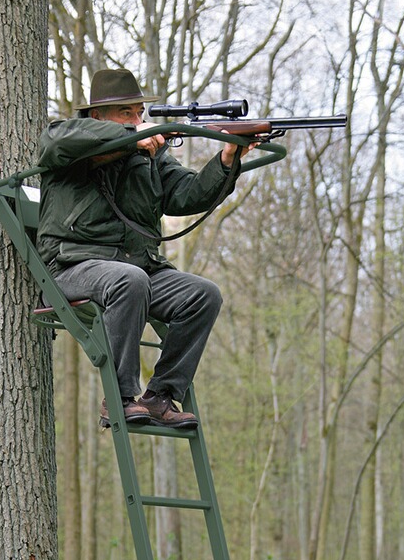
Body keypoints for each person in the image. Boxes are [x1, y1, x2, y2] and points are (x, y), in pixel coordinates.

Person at [37, 68, 253, 429]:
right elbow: (54, 143)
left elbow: (186, 193)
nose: (138, 121)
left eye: (140, 113)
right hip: (73, 266)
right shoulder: (69, 138)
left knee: (203, 295)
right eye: (127, 114)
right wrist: (128, 137)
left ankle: (161, 396)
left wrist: (227, 160)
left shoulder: (150, 153)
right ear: (98, 116)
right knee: (130, 280)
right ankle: (119, 398)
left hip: (136, 267)